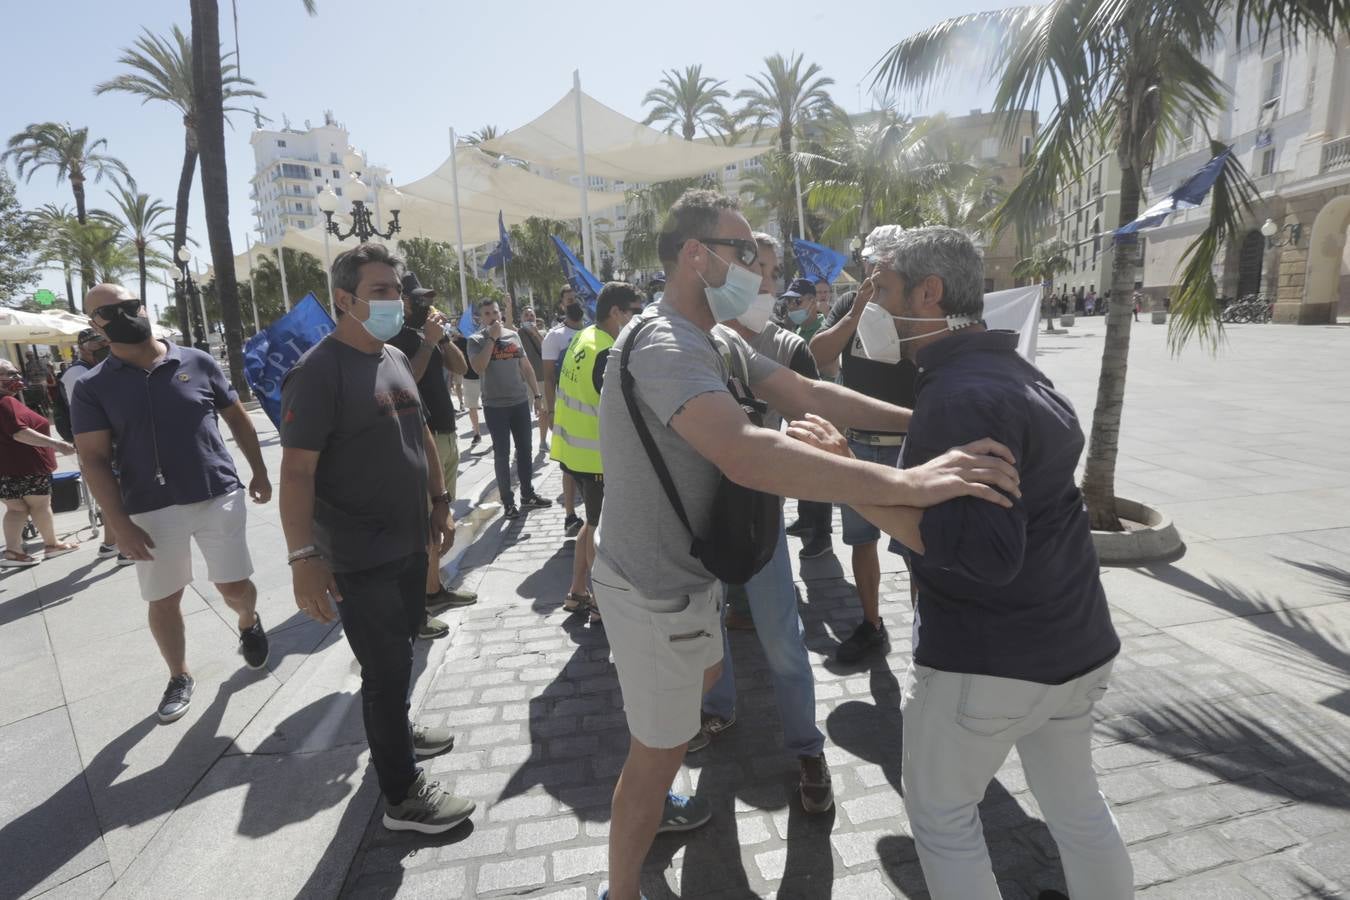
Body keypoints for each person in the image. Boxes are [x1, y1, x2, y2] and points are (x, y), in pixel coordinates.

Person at [593, 189, 1020, 900]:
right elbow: (745, 452)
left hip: (688, 582)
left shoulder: (717, 338)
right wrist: (906, 484)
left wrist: (930, 419)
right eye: (741, 252)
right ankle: (620, 892)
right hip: (648, 592)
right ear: (695, 256)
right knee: (654, 752)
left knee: (686, 710)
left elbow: (812, 396)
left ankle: (654, 805)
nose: (757, 268)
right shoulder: (665, 343)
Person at [792, 226, 1130, 900]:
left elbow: (979, 553)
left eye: (882, 290)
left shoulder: (955, 397)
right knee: (1078, 809)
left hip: (991, 661)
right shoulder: (1014, 372)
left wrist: (846, 470)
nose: (872, 307)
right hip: (1076, 645)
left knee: (944, 820)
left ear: (930, 292)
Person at [279, 242, 472, 835]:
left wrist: (439, 503)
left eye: (397, 290)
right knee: (384, 668)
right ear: (345, 300)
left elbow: (420, 433)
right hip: (360, 554)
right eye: (382, 291)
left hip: (411, 540)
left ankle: (397, 728)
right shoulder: (317, 372)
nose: (397, 301)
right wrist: (303, 557)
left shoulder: (392, 355)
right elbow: (297, 473)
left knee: (402, 651)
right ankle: (402, 796)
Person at [71, 284, 271, 723]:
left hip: (217, 493)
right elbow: (93, 459)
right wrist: (119, 523)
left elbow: (236, 415)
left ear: (143, 307)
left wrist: (258, 469)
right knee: (164, 597)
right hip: (149, 509)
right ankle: (178, 675)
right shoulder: (92, 387)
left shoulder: (196, 360)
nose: (123, 314)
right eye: (108, 311)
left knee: (234, 588)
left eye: (129, 305)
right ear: (94, 325)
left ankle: (248, 621)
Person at [688, 233, 833, 815]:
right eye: (755, 272)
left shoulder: (788, 346)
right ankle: (718, 711)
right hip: (699, 517)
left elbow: (817, 414)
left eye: (772, 273)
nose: (765, 284)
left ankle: (807, 749)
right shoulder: (698, 341)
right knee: (707, 629)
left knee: (781, 640)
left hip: (760, 519)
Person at [808, 225, 920, 664]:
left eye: (887, 263)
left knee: (915, 548)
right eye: (873, 262)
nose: (877, 269)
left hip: (905, 448)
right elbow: (819, 354)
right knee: (860, 540)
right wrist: (855, 313)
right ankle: (872, 624)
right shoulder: (847, 304)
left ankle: (921, 632)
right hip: (856, 444)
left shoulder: (912, 307)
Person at [389, 272, 476, 641]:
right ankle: (419, 607)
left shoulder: (429, 334)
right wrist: (427, 343)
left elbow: (461, 367)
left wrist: (444, 338)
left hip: (445, 432)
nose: (424, 305)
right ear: (403, 302)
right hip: (423, 438)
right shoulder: (396, 339)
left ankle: (434, 589)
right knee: (423, 525)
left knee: (439, 519)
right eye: (417, 299)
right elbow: (408, 380)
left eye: (427, 299)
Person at [549, 282, 643, 618]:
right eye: (635, 312)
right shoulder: (607, 349)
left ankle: (577, 590)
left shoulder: (584, 337)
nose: (640, 319)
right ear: (617, 313)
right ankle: (603, 604)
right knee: (603, 533)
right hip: (597, 456)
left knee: (590, 523)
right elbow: (618, 409)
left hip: (576, 452)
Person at [467, 299, 550, 520]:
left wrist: (537, 394)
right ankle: (508, 502)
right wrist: (492, 338)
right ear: (480, 318)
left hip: (519, 402)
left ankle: (527, 494)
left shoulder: (513, 336)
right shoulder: (475, 340)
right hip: (495, 406)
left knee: (525, 451)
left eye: (495, 311)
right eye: (487, 313)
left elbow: (526, 366)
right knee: (502, 455)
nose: (493, 316)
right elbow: (478, 367)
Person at [0, 359, 79, 567]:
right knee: (41, 506)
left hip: (6, 470)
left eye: (17, 373)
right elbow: (19, 432)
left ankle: (13, 552)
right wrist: (57, 444)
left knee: (16, 510)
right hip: (27, 466)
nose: (17, 377)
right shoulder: (7, 403)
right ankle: (52, 545)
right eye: (9, 374)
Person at [58, 328, 127, 562]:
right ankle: (123, 547)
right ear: (83, 347)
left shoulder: (97, 367)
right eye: (96, 343)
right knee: (114, 491)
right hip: (98, 439)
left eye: (103, 341)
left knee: (114, 491)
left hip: (108, 436)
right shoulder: (77, 373)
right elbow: (84, 410)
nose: (102, 346)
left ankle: (111, 543)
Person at [779, 277, 834, 558]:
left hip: (817, 410)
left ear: (813, 301)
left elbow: (829, 370)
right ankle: (806, 519)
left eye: (796, 301)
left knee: (819, 472)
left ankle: (822, 535)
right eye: (788, 301)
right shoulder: (801, 327)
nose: (791, 306)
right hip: (799, 407)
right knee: (803, 468)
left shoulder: (821, 329)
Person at [542, 288, 585, 537]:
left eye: (577, 298)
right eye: (569, 300)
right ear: (562, 306)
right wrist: (551, 411)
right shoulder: (554, 337)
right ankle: (570, 514)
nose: (574, 303)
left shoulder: (596, 331)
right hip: (567, 413)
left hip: (594, 412)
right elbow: (548, 379)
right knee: (568, 467)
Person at [517, 305, 548, 445]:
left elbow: (547, 351)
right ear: (521, 319)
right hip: (524, 380)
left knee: (544, 411)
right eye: (526, 315)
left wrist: (536, 334)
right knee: (521, 415)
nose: (529, 317)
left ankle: (542, 441)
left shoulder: (543, 333)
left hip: (541, 378)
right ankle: (521, 445)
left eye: (532, 315)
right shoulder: (517, 333)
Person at [451, 325, 484, 451]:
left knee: (485, 407)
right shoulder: (458, 342)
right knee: (472, 408)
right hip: (469, 378)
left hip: (483, 376)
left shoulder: (481, 339)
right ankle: (477, 433)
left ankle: (483, 433)